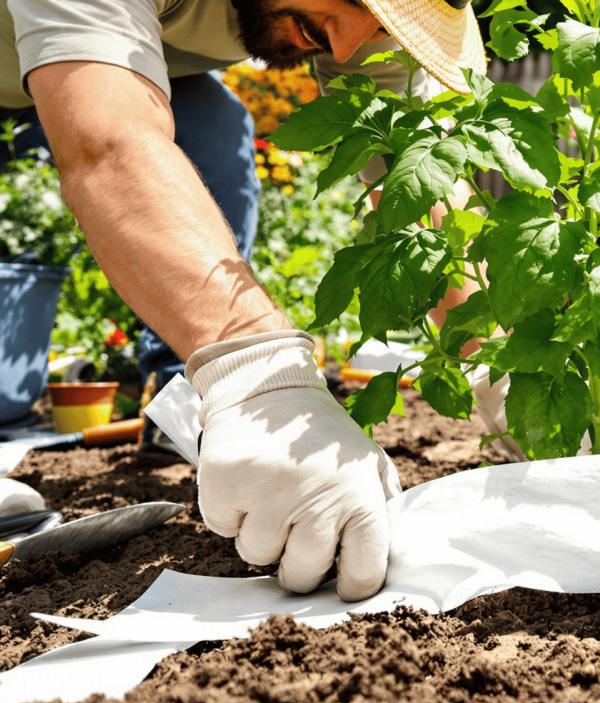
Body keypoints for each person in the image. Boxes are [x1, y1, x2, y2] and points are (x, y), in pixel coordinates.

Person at [0, 0, 486, 602]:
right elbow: (108, 141)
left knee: (217, 139)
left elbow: (415, 179)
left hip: (117, 56)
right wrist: (258, 370)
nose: (346, 48)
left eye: (383, 22)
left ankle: (188, 401)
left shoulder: (347, 25)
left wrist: (493, 356)